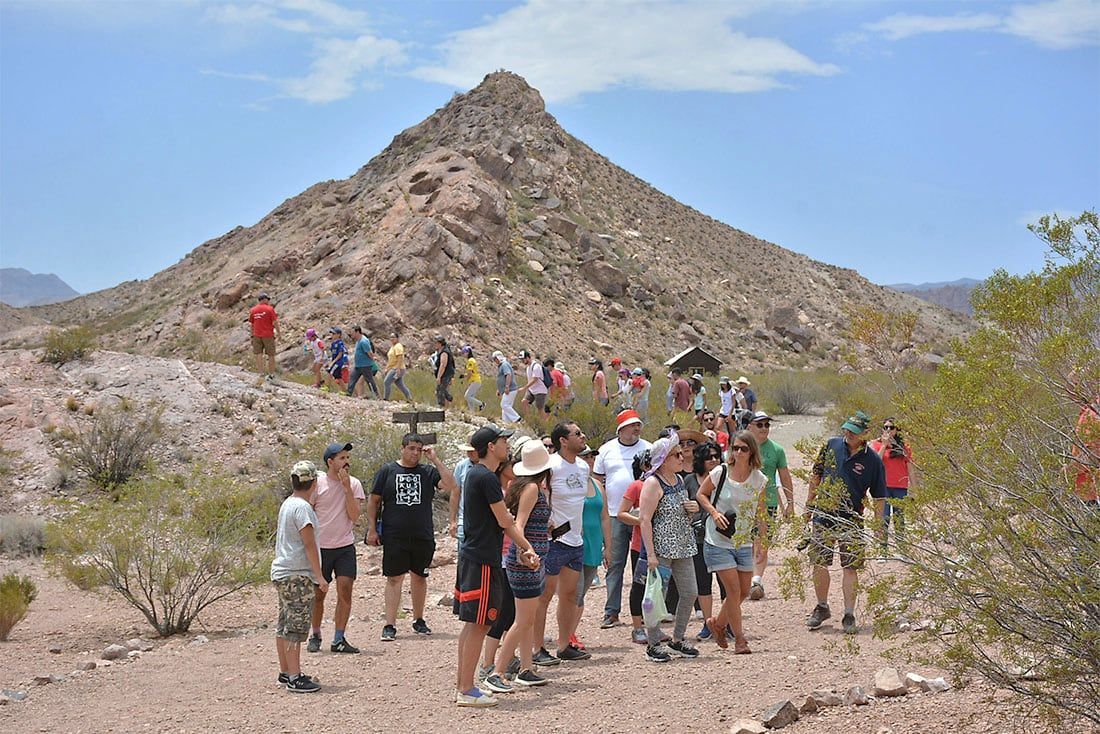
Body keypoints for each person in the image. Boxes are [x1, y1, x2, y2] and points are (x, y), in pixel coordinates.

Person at [454, 425, 540, 708]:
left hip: (474, 556)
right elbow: (505, 521)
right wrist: (526, 547)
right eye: (503, 441)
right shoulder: (486, 477)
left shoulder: (477, 474)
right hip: (482, 559)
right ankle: (466, 689)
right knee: (481, 624)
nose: (507, 446)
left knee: (473, 625)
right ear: (491, 446)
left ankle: (465, 685)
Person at [366, 433, 458, 641]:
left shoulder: (427, 472)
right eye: (411, 448)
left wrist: (434, 459)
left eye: (419, 449)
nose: (415, 453)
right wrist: (372, 529)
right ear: (402, 448)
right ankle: (390, 624)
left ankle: (418, 619)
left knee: (419, 576)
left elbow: (450, 484)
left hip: (422, 534)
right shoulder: (388, 470)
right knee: (394, 578)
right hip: (394, 534)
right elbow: (374, 500)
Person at [482, 441, 554, 694]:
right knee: (523, 620)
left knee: (527, 617)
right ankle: (498, 672)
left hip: (526, 558)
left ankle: (526, 668)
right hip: (526, 561)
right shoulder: (533, 488)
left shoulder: (522, 486)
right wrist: (527, 552)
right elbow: (519, 525)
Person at [805, 411, 886, 635]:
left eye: (854, 431)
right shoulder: (831, 445)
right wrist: (809, 506)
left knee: (850, 567)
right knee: (819, 562)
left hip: (852, 519)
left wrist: (879, 527)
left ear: (866, 434)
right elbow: (816, 475)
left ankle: (849, 614)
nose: (848, 434)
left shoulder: (873, 461)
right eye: (847, 429)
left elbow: (879, 497)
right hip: (824, 514)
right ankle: (821, 607)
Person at [696, 431, 767, 653]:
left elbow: (761, 514)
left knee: (745, 589)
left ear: (752, 451)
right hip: (717, 540)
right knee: (733, 590)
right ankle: (740, 639)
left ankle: (717, 624)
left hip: (743, 541)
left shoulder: (759, 480)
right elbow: (701, 494)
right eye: (734, 448)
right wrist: (714, 513)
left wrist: (762, 542)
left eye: (743, 449)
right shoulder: (721, 472)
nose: (737, 452)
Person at [532, 420, 593, 665]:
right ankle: (537, 648)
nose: (583, 436)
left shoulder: (581, 467)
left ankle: (564, 644)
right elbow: (538, 493)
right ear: (563, 441)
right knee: (544, 595)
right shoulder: (551, 466)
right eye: (577, 434)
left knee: (568, 594)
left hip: (575, 540)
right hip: (554, 540)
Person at [638, 433, 700, 662]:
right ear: (663, 459)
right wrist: (651, 554)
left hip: (683, 546)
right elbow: (644, 519)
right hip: (662, 550)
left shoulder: (680, 481)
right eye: (676, 454)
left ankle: (677, 638)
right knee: (656, 596)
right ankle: (653, 644)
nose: (682, 457)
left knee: (690, 592)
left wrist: (691, 508)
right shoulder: (653, 483)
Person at [305, 443, 366, 654]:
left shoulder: (354, 484)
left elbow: (355, 515)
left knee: (345, 591)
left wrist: (347, 488)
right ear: (330, 462)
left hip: (344, 547)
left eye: (348, 457)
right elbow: (308, 512)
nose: (346, 462)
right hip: (321, 548)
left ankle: (339, 638)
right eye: (342, 458)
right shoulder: (317, 484)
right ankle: (315, 634)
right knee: (318, 594)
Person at [272, 460, 326, 693]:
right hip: (297, 575)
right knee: (295, 625)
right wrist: (320, 577)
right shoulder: (303, 508)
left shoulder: (288, 504)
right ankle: (295, 676)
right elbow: (309, 544)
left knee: (284, 623)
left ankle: (286, 671)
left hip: (283, 572)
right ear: (313, 483)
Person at [595, 409, 653, 629]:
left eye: (638, 424)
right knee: (615, 562)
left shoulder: (648, 447)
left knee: (644, 562)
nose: (636, 428)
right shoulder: (606, 450)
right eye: (632, 425)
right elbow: (598, 480)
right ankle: (611, 611)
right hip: (614, 514)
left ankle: (646, 610)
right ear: (621, 428)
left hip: (643, 515)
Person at [745, 411, 794, 600]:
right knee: (744, 542)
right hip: (743, 503)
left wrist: (789, 504)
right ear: (750, 427)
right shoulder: (741, 447)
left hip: (768, 504)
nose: (764, 428)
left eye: (767, 425)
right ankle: (746, 579)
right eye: (760, 425)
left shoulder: (777, 450)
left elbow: (785, 478)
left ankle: (756, 580)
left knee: (761, 542)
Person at [682, 441, 723, 641]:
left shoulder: (726, 477)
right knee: (703, 583)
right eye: (708, 457)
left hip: (722, 537)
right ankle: (708, 624)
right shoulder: (689, 480)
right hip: (697, 538)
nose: (713, 460)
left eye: (716, 456)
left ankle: (727, 622)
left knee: (726, 583)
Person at [570, 445, 610, 651]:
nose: (589, 460)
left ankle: (570, 632)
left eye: (591, 456)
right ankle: (567, 634)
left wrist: (608, 547)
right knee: (573, 592)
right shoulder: (571, 483)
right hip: (575, 542)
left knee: (583, 591)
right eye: (584, 456)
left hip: (594, 543)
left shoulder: (597, 484)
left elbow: (605, 517)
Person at [616, 451, 653, 645]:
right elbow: (621, 513)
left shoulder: (665, 484)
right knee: (640, 586)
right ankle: (637, 627)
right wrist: (641, 520)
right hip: (641, 545)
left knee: (656, 587)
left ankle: (653, 627)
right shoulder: (636, 486)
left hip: (661, 544)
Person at [870, 418, 914, 554]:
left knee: (899, 519)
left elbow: (910, 468)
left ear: (897, 430)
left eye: (891, 427)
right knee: (883, 519)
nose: (888, 430)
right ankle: (883, 550)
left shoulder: (904, 447)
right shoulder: (876, 444)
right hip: (882, 487)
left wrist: (915, 489)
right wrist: (884, 445)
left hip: (900, 487)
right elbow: (875, 462)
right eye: (885, 427)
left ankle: (902, 550)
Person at [450, 442, 479, 550]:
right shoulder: (461, 466)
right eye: (468, 450)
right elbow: (455, 493)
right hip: (464, 522)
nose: (469, 453)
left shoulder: (491, 466)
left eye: (472, 450)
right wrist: (453, 520)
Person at [249, 292, 280, 378]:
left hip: (256, 335)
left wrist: (252, 335)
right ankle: (271, 374)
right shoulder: (270, 309)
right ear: (264, 299)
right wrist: (279, 333)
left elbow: (251, 324)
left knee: (259, 354)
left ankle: (261, 373)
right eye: (268, 299)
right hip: (268, 335)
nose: (268, 301)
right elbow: (275, 322)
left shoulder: (253, 310)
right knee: (271, 355)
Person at [347, 326, 380, 398]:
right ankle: (348, 393)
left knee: (370, 381)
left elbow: (369, 352)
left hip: (366, 365)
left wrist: (373, 358)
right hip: (358, 365)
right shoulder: (358, 341)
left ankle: (376, 395)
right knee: (352, 378)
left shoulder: (364, 341)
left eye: (353, 332)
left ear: (357, 332)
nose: (351, 334)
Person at [382, 331, 413, 401]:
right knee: (400, 384)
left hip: (397, 368)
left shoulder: (398, 346)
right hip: (393, 367)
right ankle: (409, 398)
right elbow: (391, 360)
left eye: (393, 337)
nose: (392, 339)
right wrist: (387, 368)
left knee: (386, 382)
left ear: (397, 338)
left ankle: (385, 399)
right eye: (391, 337)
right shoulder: (393, 347)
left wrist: (398, 369)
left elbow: (400, 357)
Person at [493, 351, 520, 423]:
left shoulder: (504, 365)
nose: (495, 361)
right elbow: (502, 378)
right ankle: (507, 423)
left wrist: (507, 386)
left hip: (510, 389)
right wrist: (499, 389)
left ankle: (517, 418)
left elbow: (508, 375)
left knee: (504, 405)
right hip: (507, 389)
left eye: (495, 359)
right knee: (506, 408)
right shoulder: (502, 365)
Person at [519, 349, 548, 414]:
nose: (522, 361)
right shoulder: (528, 367)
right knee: (524, 402)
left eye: (523, 359)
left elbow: (535, 379)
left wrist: (524, 388)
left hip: (540, 390)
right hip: (531, 390)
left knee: (540, 409)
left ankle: (544, 423)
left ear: (527, 358)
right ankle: (528, 420)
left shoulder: (536, 366)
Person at [459, 346, 485, 412]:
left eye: (463, 352)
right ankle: (472, 412)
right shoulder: (471, 360)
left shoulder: (470, 361)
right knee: (470, 397)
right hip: (475, 381)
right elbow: (472, 373)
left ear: (467, 352)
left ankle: (481, 404)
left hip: (475, 381)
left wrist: (465, 380)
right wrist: (464, 376)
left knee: (467, 396)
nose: (463, 354)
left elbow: (470, 373)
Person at [432, 335, 456, 408]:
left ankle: (441, 406)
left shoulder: (444, 352)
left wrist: (439, 376)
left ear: (440, 343)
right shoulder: (442, 351)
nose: (435, 345)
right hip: (446, 374)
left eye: (436, 343)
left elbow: (443, 365)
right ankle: (448, 402)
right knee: (442, 390)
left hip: (446, 375)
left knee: (440, 390)